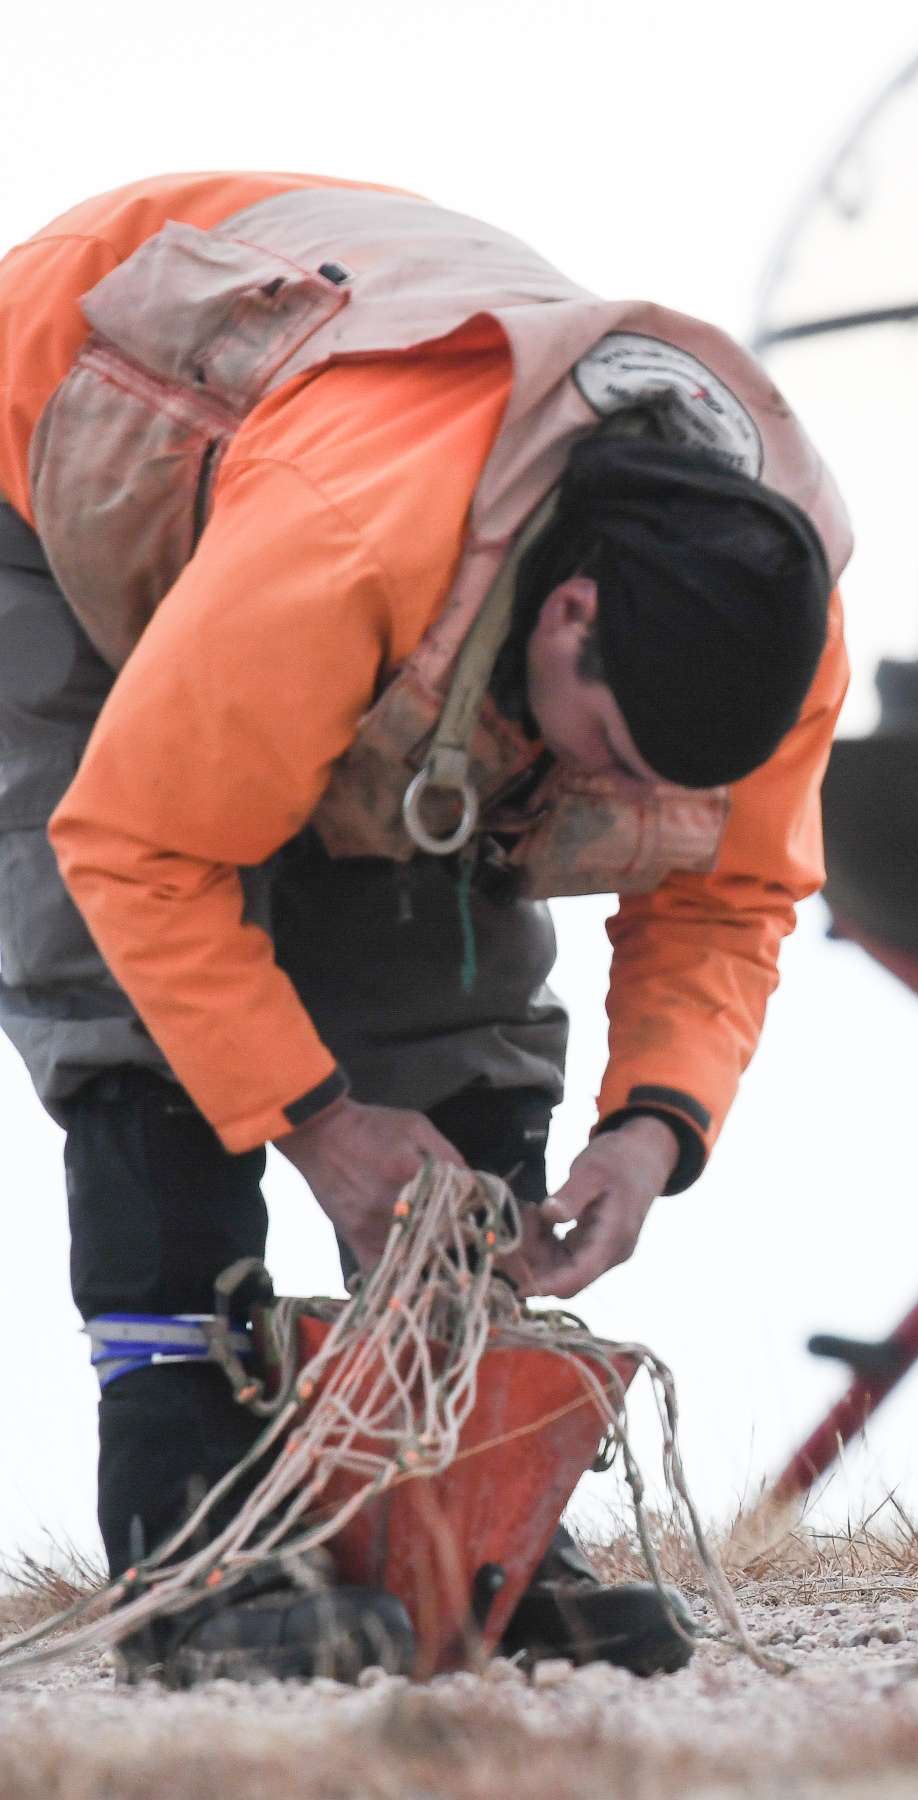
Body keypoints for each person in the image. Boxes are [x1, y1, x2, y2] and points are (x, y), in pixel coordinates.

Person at [0, 174, 850, 1684]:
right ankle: (189, 1537)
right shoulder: (351, 541)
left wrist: (653, 1127)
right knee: (147, 1009)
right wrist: (321, 1122)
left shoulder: (768, 626)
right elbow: (138, 854)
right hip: (57, 445)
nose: (618, 791)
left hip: (359, 532)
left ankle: (470, 1524)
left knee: (451, 982)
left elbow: (730, 892)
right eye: (614, 747)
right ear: (571, 613)